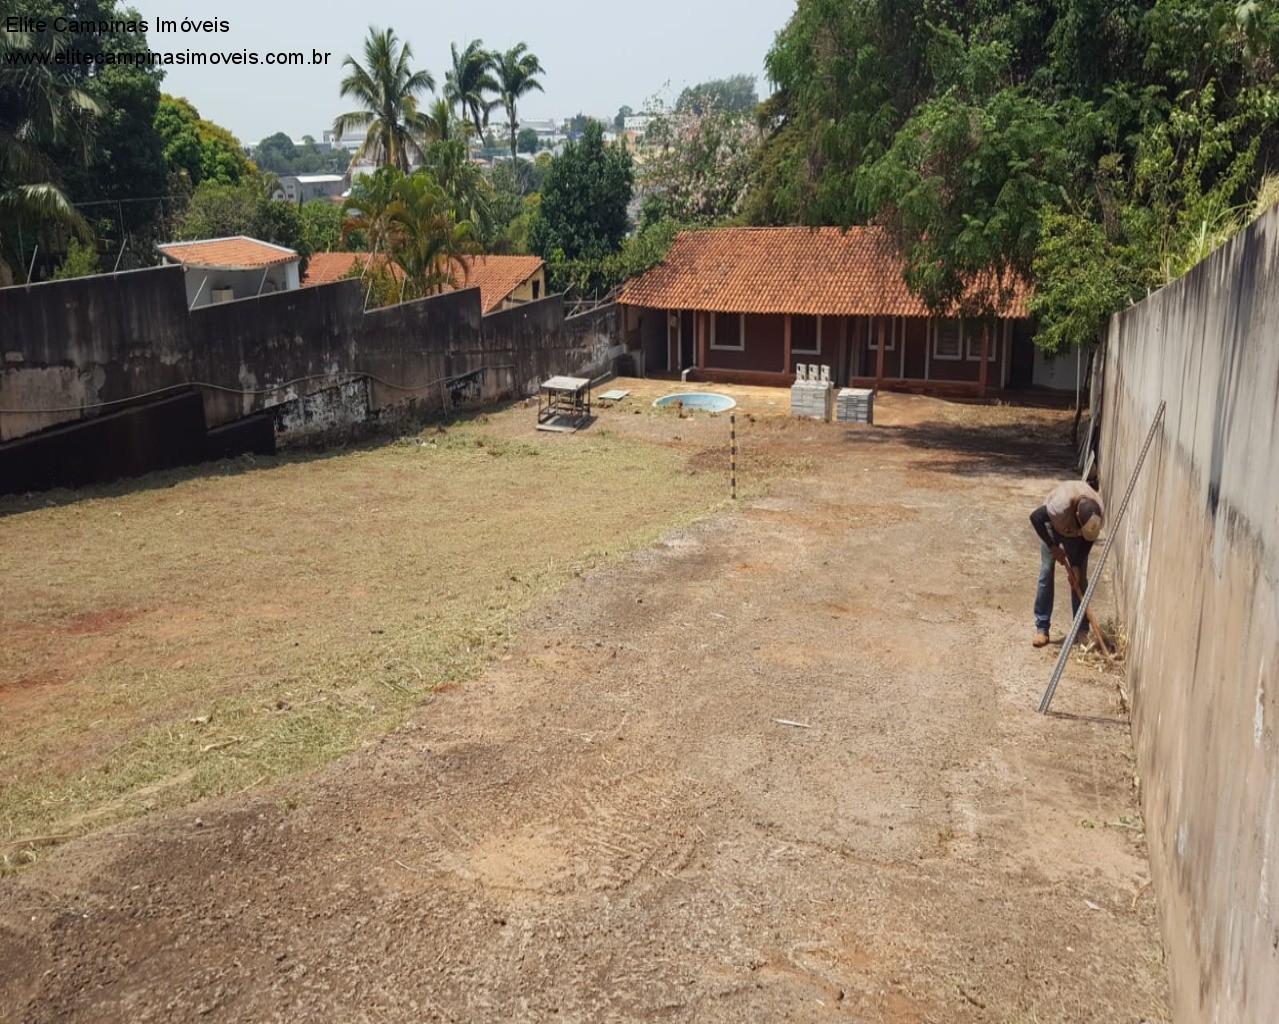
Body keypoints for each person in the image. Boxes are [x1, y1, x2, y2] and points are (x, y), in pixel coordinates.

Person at [1029, 480, 1104, 647]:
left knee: (1080, 579)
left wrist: (1076, 564)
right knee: (1047, 572)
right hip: (1053, 528)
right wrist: (1053, 546)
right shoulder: (1059, 507)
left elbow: (1089, 539)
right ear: (1077, 516)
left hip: (1078, 537)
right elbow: (1035, 517)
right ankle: (1042, 628)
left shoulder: (1097, 513)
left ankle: (1082, 631)